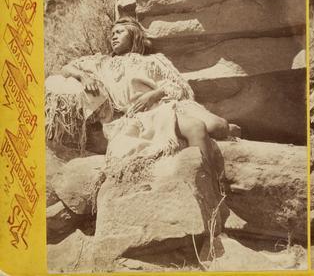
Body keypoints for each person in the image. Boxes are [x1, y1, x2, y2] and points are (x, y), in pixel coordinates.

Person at [53, 16, 230, 175]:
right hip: (143, 114)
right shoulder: (102, 63)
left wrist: (154, 94)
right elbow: (66, 68)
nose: (113, 36)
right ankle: (210, 186)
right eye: (112, 33)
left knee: (220, 126)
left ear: (133, 34)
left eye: (119, 32)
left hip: (167, 101)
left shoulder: (153, 60)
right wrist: (83, 76)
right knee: (195, 127)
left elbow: (179, 86)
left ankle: (224, 133)